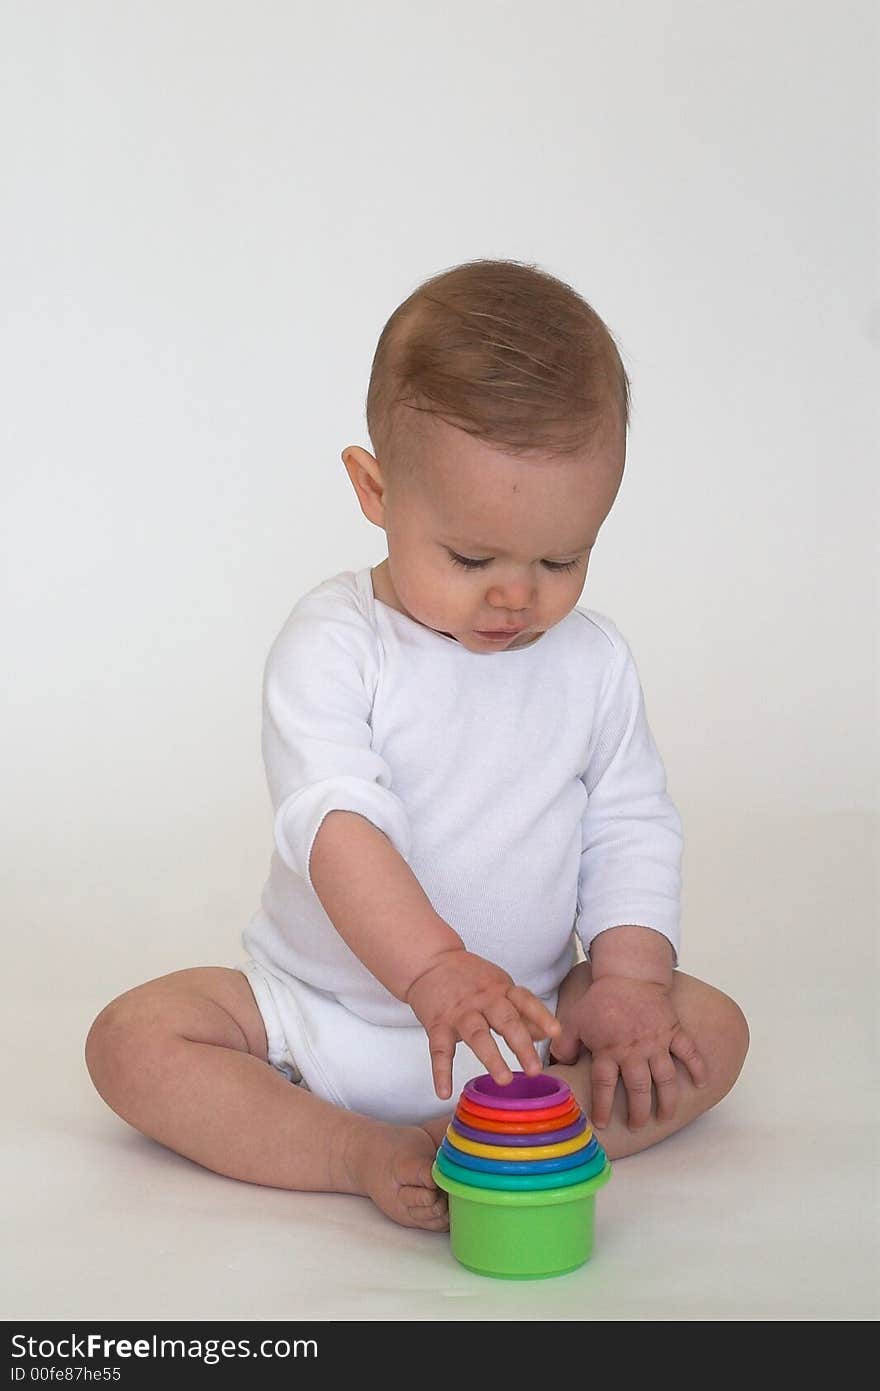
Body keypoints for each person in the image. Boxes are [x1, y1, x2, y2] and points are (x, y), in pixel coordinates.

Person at [85, 258, 749, 1233]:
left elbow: (629, 822)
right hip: (324, 1014)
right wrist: (432, 968)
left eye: (561, 558)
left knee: (711, 1033)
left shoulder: (590, 660)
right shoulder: (337, 641)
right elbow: (335, 817)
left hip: (523, 1018)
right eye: (472, 557)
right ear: (375, 488)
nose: (517, 594)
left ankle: (511, 1135)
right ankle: (350, 1148)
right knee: (133, 1040)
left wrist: (628, 983)